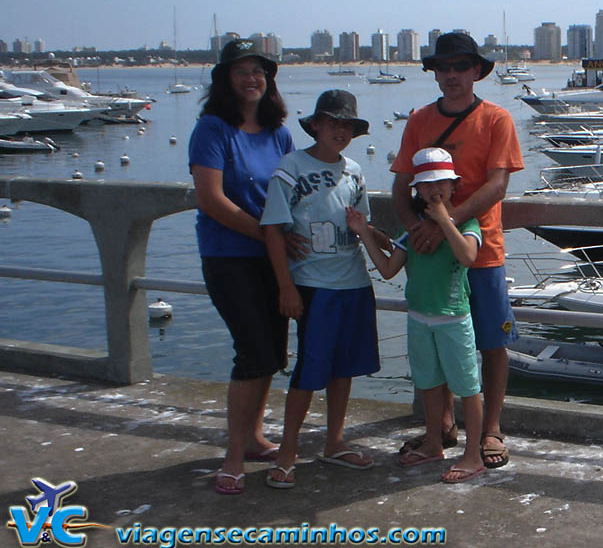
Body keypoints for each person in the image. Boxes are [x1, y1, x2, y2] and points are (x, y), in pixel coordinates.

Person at [390, 32, 523, 469]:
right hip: (432, 256)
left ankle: (491, 430)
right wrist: (416, 229)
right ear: (435, 73)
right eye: (443, 67)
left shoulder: (496, 119)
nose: (452, 75)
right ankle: (442, 426)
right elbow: (399, 185)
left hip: (479, 249)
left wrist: (444, 223)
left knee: (491, 343)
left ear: (476, 72)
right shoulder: (418, 120)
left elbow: (497, 185)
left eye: (460, 67)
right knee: (437, 339)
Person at [258, 90, 380, 488]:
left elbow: (364, 225)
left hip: (354, 283)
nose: (339, 130)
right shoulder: (290, 167)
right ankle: (288, 451)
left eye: (347, 125)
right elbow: (273, 231)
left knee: (343, 368)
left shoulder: (355, 171)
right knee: (309, 373)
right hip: (313, 286)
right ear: (315, 125)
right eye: (332, 123)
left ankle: (334, 442)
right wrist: (285, 287)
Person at [189, 38, 294, 496]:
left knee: (271, 351)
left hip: (274, 258)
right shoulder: (212, 129)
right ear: (225, 80)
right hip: (229, 257)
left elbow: (293, 192)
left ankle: (253, 439)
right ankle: (233, 454)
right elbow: (211, 199)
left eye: (258, 71)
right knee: (251, 350)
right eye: (241, 71)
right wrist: (267, 234)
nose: (251, 79)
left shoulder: (280, 131)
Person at [349, 148, 486, 483]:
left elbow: (468, 256)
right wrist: (364, 232)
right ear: (417, 191)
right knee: (428, 384)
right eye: (426, 185)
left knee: (468, 388)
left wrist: (443, 220)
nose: (433, 189)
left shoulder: (467, 223)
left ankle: (473, 455)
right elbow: (387, 269)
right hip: (419, 320)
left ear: (454, 186)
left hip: (454, 318)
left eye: (441, 182)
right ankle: (433, 444)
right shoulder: (412, 231)